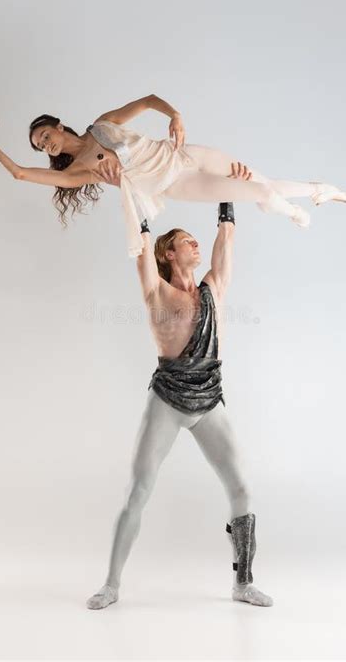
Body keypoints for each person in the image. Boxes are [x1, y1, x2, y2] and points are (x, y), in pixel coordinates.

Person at [85, 159, 273, 610]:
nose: (196, 243)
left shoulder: (213, 287)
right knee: (138, 490)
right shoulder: (157, 292)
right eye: (187, 241)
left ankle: (242, 581)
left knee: (242, 487)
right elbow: (141, 239)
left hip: (209, 400)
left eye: (195, 239)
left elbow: (226, 234)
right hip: (167, 399)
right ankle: (111, 583)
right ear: (170, 254)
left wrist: (231, 190)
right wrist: (127, 190)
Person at [0, 96, 346, 257]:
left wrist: (174, 114)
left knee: (258, 179)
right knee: (258, 191)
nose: (44, 144)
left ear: (59, 126)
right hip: (175, 183)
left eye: (45, 135)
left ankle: (319, 189)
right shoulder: (78, 173)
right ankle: (293, 210)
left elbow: (146, 101)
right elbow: (18, 173)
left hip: (183, 154)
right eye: (39, 145)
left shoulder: (102, 125)